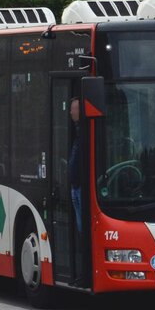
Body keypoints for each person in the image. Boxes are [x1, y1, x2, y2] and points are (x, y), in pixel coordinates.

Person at [67, 98, 84, 235]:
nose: (71, 112)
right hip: (75, 186)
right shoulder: (76, 130)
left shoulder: (84, 130)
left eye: (73, 109)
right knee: (79, 223)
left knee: (82, 223)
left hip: (80, 186)